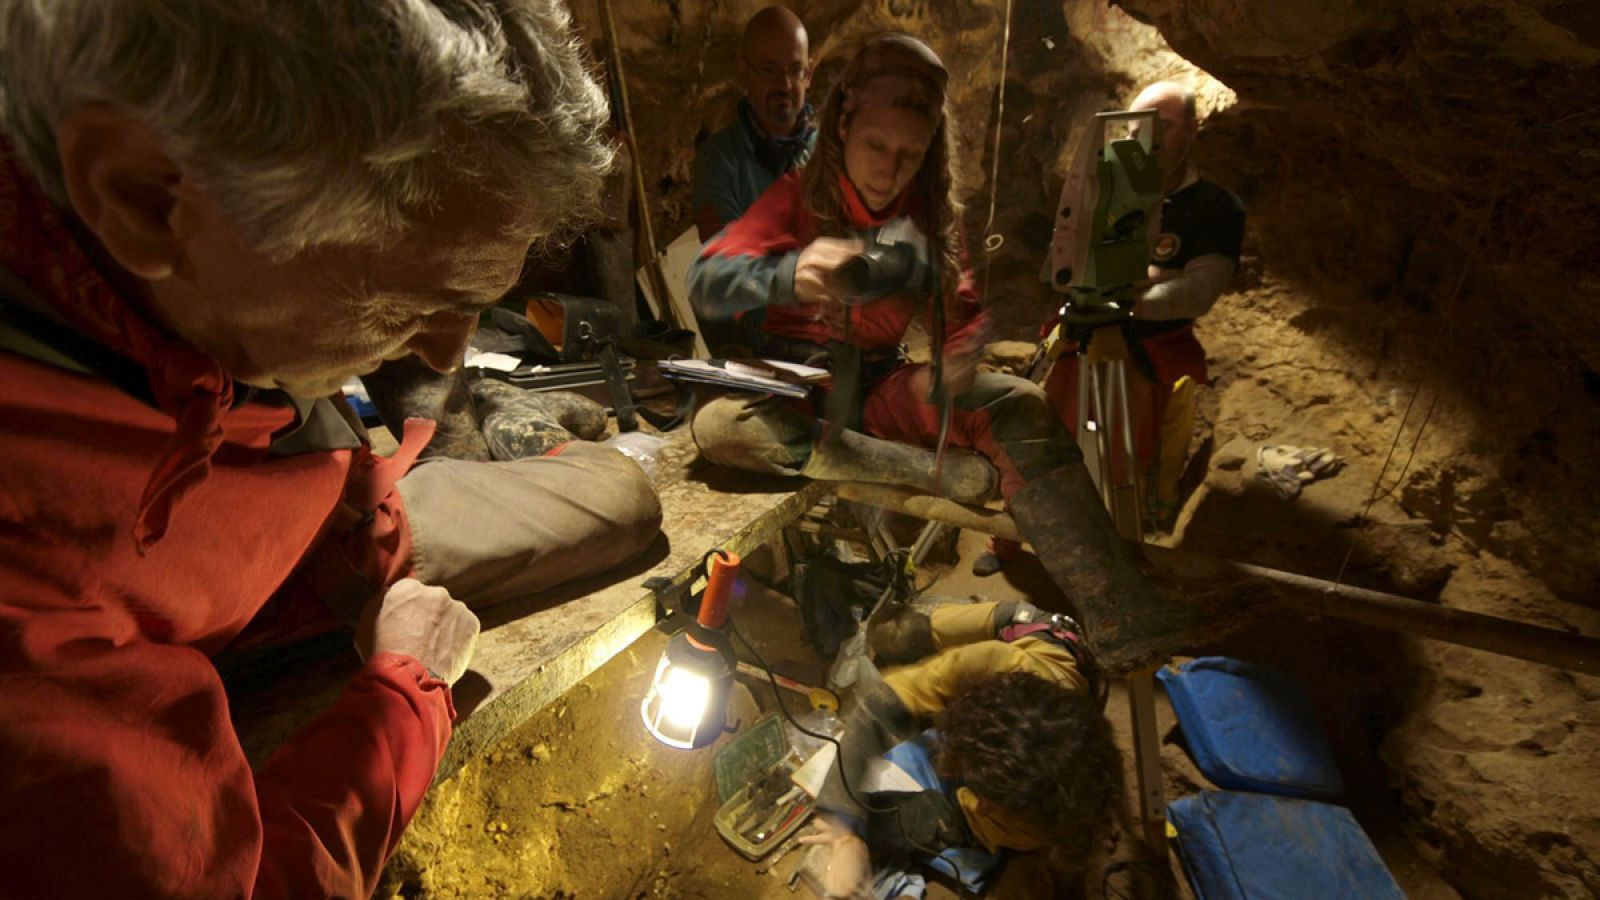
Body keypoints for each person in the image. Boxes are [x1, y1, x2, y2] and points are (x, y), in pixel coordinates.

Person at [0, 2, 663, 897]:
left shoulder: (214, 261)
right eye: (408, 304)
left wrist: (367, 516)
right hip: (255, 610)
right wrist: (408, 691)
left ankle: (520, 434)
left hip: (328, 542)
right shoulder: (31, 603)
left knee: (623, 496)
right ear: (144, 199)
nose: (446, 348)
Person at [688, 35, 1186, 680]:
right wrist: (791, 272)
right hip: (789, 386)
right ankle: (931, 470)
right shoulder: (795, 197)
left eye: (908, 153)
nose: (889, 169)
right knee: (722, 427)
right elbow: (705, 278)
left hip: (872, 386)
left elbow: (965, 308)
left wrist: (957, 354)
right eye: (875, 145)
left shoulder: (927, 219)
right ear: (843, 125)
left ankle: (1123, 611)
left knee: (1019, 402)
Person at [970, 80, 1245, 576]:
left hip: (1144, 352)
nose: (1151, 136)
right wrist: (1143, 278)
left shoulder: (1214, 208)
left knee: (1117, 463)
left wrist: (1130, 294)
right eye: (1140, 123)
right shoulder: (1100, 188)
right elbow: (1065, 261)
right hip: (1079, 336)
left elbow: (1200, 289)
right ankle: (1007, 542)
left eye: (1165, 123)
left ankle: (1102, 570)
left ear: (1192, 130)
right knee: (1037, 444)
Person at [798, 600, 1119, 898]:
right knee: (891, 634)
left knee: (920, 820)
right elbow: (879, 706)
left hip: (1050, 671)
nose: (980, 807)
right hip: (1023, 625)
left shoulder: (1073, 785)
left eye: (996, 805)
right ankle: (907, 621)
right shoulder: (984, 665)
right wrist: (842, 826)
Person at [690, 5, 817, 245]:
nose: (784, 85)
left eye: (794, 70)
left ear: (809, 73)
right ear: (743, 71)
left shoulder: (831, 152)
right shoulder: (718, 161)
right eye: (769, 70)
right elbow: (732, 268)